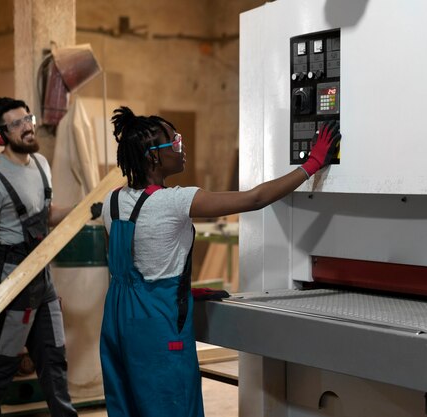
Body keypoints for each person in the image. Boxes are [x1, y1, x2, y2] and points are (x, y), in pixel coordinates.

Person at [99, 106, 341, 417]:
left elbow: (139, 264)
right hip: (157, 326)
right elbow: (254, 199)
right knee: (172, 405)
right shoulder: (174, 201)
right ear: (153, 156)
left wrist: (182, 291)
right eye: (175, 142)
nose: (181, 147)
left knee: (129, 407)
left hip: (118, 322)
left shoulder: (113, 200)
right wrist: (310, 165)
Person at [0, 97, 78, 417]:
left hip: (42, 281)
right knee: (2, 362)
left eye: (27, 119)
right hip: (13, 284)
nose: (27, 126)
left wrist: (83, 210)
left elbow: (46, 214)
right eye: (16, 124)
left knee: (54, 358)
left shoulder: (42, 165)